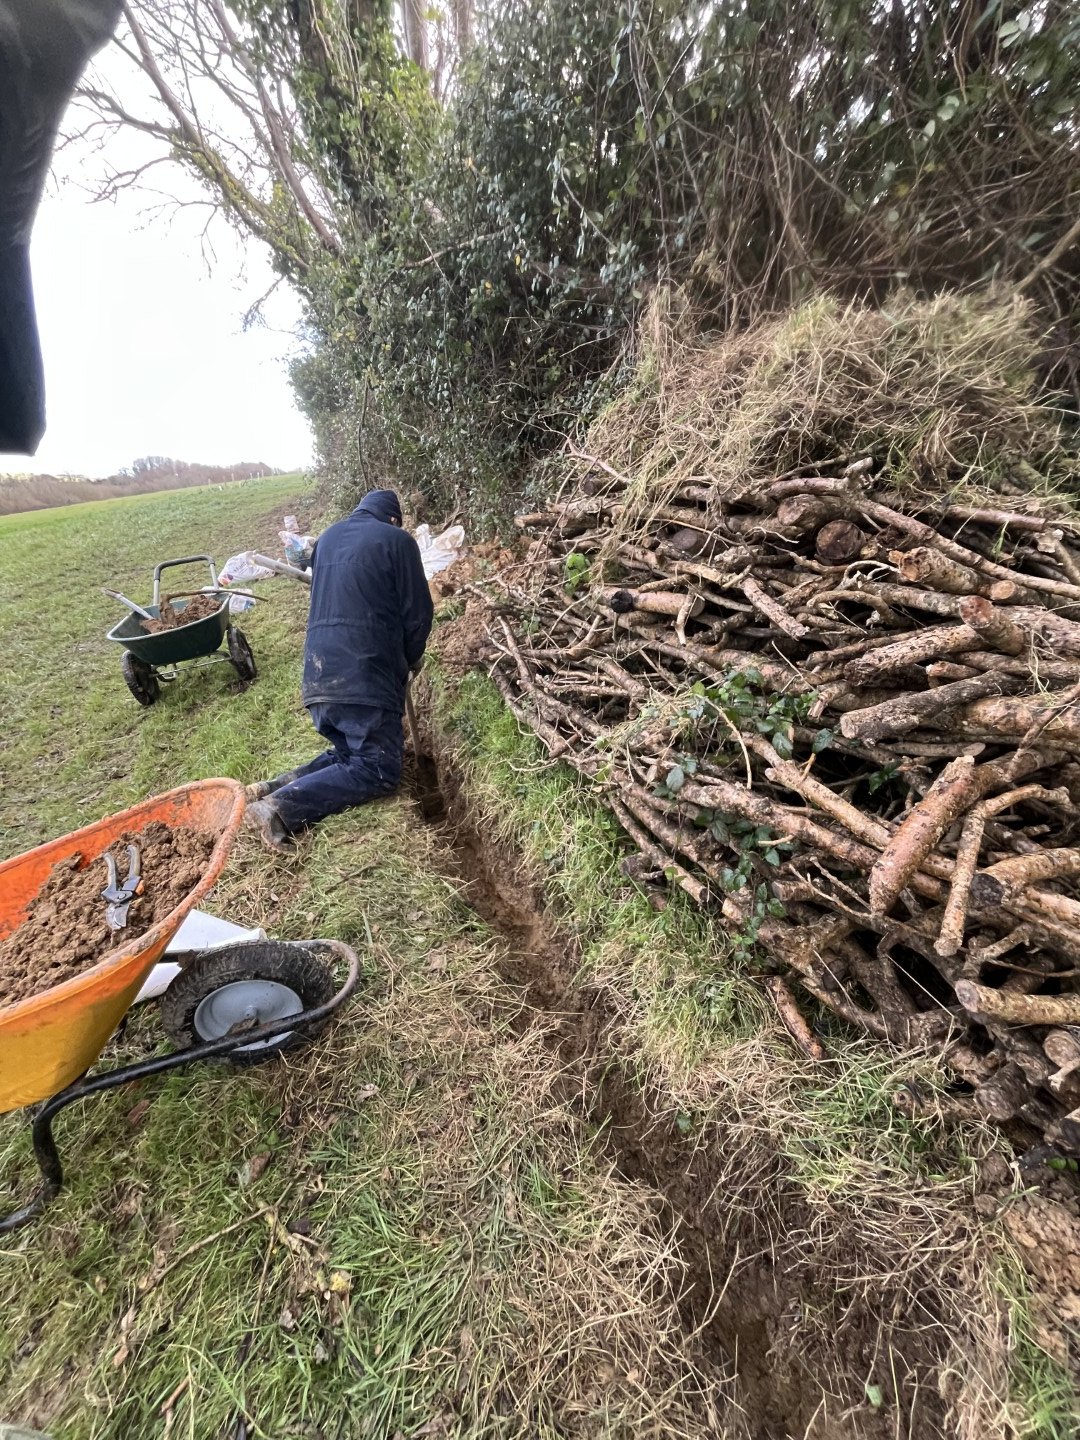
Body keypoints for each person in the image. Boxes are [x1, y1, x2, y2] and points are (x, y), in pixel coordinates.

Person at [246, 488, 434, 852]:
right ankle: (277, 809)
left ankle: (275, 786)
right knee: (377, 768)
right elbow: (418, 614)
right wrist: (411, 659)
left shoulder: (327, 539)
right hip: (363, 673)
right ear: (393, 519)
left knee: (349, 753)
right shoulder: (398, 541)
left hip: (318, 671)